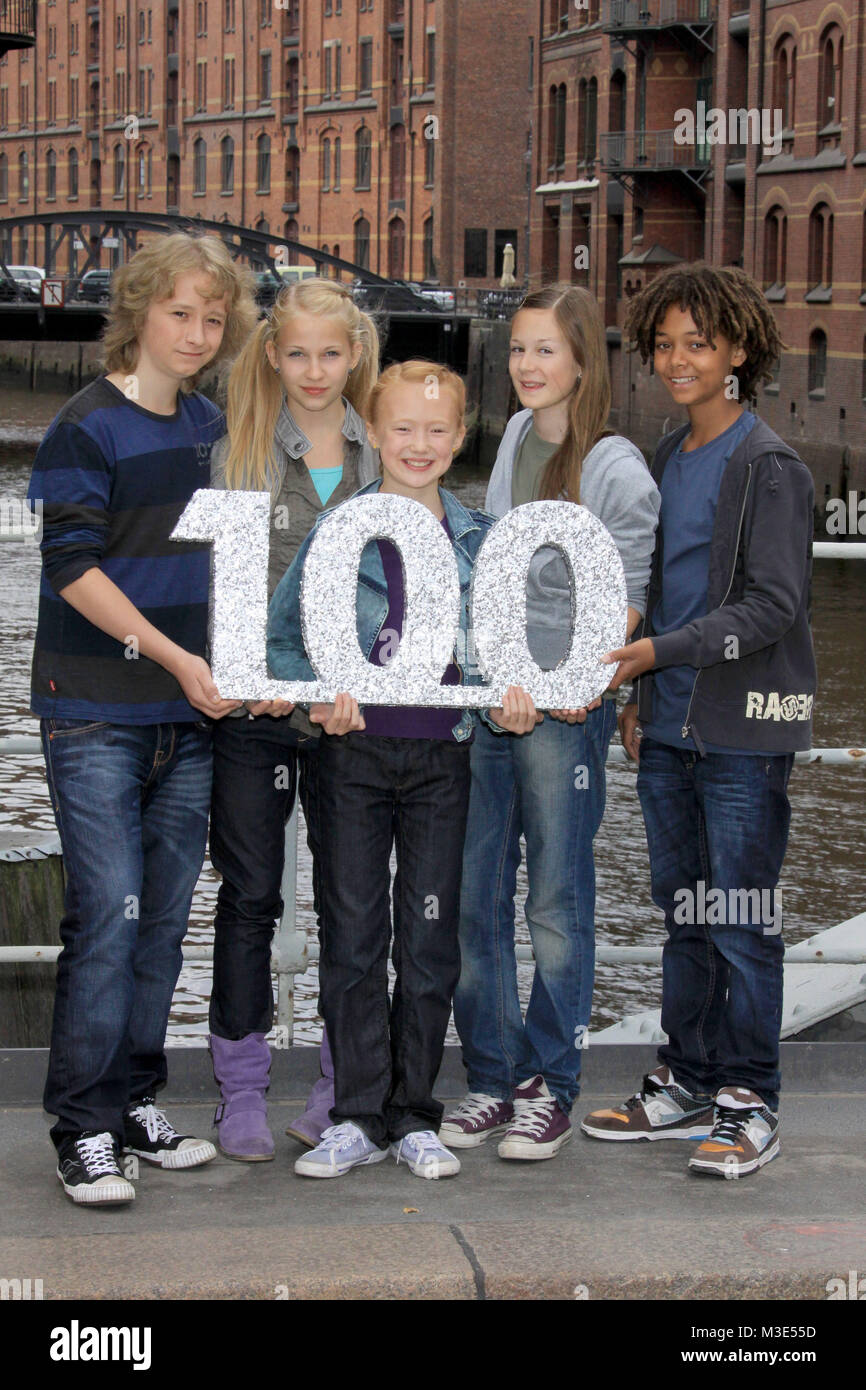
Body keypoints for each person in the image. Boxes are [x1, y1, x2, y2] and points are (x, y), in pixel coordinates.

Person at [28, 233, 258, 1204]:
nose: (197, 332)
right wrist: (175, 657)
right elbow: (70, 567)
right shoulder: (84, 427)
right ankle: (81, 1126)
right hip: (95, 714)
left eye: (213, 317)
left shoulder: (212, 425)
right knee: (107, 918)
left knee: (162, 924)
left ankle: (130, 1100)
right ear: (138, 312)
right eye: (179, 313)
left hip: (188, 716)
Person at [267, 360, 537, 1179]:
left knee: (428, 939)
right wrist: (315, 697)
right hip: (350, 759)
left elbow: (500, 658)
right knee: (353, 938)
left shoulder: (479, 540)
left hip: (441, 759)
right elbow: (281, 642)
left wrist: (511, 696)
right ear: (373, 435)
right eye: (402, 429)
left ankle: (415, 1112)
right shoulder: (335, 532)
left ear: (460, 438)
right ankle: (356, 1113)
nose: (418, 445)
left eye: (436, 430)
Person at [581, 262, 816, 1178]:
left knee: (742, 919)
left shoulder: (772, 468)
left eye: (699, 344)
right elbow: (661, 590)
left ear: (739, 351)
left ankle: (750, 1099)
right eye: (666, 344)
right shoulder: (664, 459)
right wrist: (644, 697)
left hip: (743, 737)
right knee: (684, 912)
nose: (679, 361)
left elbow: (772, 608)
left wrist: (657, 659)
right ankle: (686, 1081)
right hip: (669, 729)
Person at [440, 284, 661, 1160]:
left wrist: (574, 686)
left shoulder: (613, 468)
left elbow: (627, 606)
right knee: (475, 899)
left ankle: (550, 1085)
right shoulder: (518, 446)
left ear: (580, 361)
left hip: (565, 716)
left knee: (556, 905)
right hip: (497, 702)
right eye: (520, 350)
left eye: (545, 350)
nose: (528, 365)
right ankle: (491, 1077)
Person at [207, 278, 379, 1160]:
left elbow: (400, 589)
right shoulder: (238, 448)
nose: (316, 371)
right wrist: (260, 675)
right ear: (273, 354)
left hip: (351, 717)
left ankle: (339, 1083)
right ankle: (240, 1087)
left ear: (355, 355)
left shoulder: (380, 455)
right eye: (299, 353)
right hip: (259, 714)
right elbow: (224, 594)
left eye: (332, 352)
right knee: (251, 898)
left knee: (354, 905)